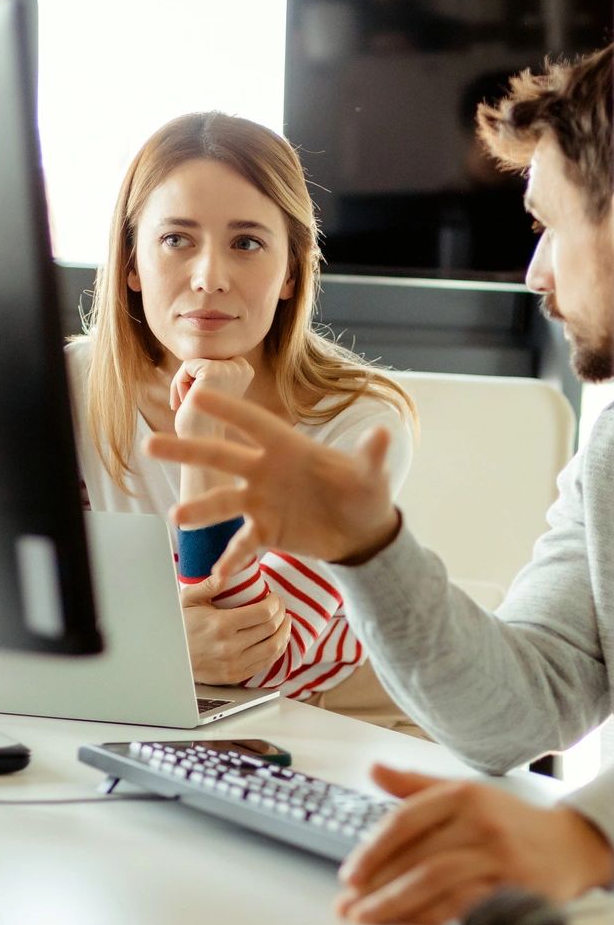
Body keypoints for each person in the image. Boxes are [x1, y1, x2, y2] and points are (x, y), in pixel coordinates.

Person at [148, 43, 614, 925]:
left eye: (546, 227)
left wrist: (586, 836)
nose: (534, 275)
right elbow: (516, 712)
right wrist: (369, 547)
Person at [70, 112, 421, 728]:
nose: (210, 278)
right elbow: (5, 600)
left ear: (291, 271)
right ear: (130, 264)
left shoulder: (361, 423)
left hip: (338, 717)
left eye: (247, 243)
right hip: (140, 705)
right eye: (177, 239)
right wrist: (158, 642)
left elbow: (247, 662)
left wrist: (205, 431)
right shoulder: (65, 386)